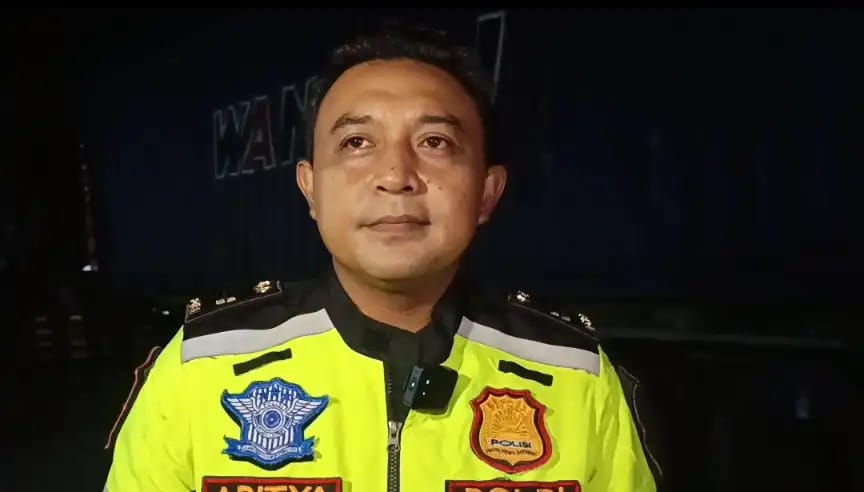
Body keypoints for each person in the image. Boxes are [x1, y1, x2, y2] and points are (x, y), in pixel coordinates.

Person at [103, 21, 662, 492]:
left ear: (487, 192)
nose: (395, 175)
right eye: (357, 143)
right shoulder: (201, 366)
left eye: (435, 142)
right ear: (310, 189)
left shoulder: (574, 376)